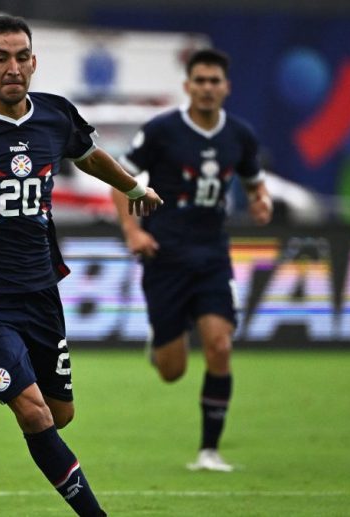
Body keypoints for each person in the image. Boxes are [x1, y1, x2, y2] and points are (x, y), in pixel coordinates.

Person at [0, 16, 162, 517]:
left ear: (34, 63)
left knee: (60, 415)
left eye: (21, 57)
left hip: (40, 289)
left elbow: (89, 156)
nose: (12, 67)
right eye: (1, 58)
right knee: (34, 413)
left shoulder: (56, 115)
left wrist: (132, 187)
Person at [110, 48, 272, 472]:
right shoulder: (162, 130)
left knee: (220, 346)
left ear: (226, 87)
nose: (206, 88)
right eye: (199, 80)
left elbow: (255, 183)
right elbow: (119, 179)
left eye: (214, 81)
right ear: (187, 86)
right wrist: (133, 231)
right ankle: (162, 340)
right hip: (164, 256)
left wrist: (262, 201)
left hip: (213, 256)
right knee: (172, 370)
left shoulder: (240, 135)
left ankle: (209, 452)